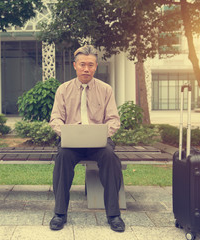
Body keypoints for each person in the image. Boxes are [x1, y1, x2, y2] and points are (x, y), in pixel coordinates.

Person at [48, 45, 125, 232]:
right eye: (82, 64)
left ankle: (114, 215)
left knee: (110, 157)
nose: (86, 69)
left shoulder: (106, 89)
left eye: (90, 65)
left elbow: (114, 119)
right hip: (71, 142)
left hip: (99, 142)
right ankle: (59, 213)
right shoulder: (63, 90)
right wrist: (66, 132)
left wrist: (101, 134)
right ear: (75, 65)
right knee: (62, 157)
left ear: (96, 67)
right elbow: (55, 118)